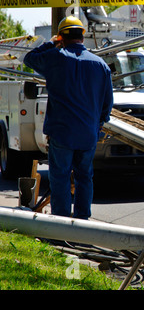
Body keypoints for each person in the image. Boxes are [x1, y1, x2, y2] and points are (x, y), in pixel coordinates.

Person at [24, 16, 114, 219]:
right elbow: (107, 104)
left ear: (61, 37)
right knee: (84, 178)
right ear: (83, 35)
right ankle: (82, 221)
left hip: (62, 132)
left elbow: (29, 58)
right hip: (88, 133)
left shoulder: (55, 57)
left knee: (60, 178)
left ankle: (62, 222)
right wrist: (97, 124)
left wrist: (52, 42)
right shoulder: (101, 65)